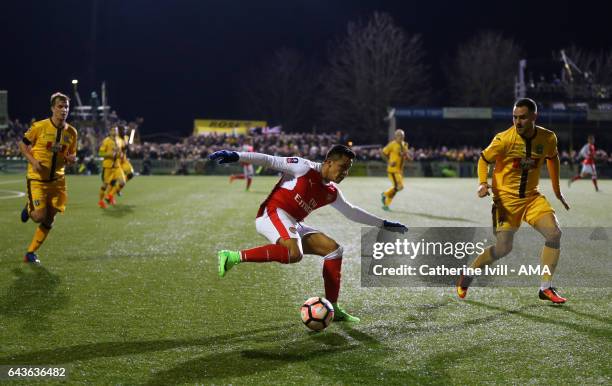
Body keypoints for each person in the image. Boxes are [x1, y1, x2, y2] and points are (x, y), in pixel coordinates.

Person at [209, 145, 408, 322]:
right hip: (272, 213)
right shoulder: (303, 167)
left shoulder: (331, 191)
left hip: (293, 222)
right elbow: (269, 159)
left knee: (334, 250)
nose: (345, 173)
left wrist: (384, 224)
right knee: (294, 254)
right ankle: (233, 257)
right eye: (343, 167)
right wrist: (235, 155)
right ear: (329, 163)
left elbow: (351, 212)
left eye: (348, 169)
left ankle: (334, 307)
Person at [457, 98, 570, 304]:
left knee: (554, 233)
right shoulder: (503, 140)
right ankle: (469, 273)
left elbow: (552, 158)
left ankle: (545, 288)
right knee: (503, 249)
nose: (518, 122)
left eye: (523, 117)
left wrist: (557, 190)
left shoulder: (548, 138)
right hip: (505, 201)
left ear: (534, 117)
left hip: (532, 198)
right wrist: (483, 183)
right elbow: (483, 159)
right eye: (515, 117)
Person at [19, 92, 78, 264]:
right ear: (52, 108)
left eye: (66, 106)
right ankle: (29, 207)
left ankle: (30, 253)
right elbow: (22, 145)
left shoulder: (72, 133)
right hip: (37, 179)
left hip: (58, 181)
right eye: (60, 106)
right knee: (38, 216)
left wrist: (71, 160)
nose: (63, 110)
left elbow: (71, 155)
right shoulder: (39, 127)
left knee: (50, 218)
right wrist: (33, 161)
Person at [380, 129, 410, 211]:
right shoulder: (392, 144)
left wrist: (408, 157)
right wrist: (389, 162)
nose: (401, 137)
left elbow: (406, 156)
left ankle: (385, 198)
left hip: (399, 171)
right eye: (399, 135)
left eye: (402, 135)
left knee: (397, 188)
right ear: (395, 136)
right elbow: (382, 152)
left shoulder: (405, 145)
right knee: (399, 187)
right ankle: (385, 197)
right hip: (392, 170)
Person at [98, 126, 125, 208]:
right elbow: (100, 153)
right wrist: (109, 154)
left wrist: (121, 155)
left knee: (122, 182)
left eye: (116, 130)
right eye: (113, 130)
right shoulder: (106, 141)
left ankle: (110, 195)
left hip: (117, 166)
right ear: (110, 132)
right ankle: (101, 201)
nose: (114, 132)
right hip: (108, 167)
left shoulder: (120, 141)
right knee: (105, 185)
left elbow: (121, 152)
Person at [115, 125, 135, 196]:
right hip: (117, 161)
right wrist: (125, 147)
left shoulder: (126, 138)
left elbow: (129, 145)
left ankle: (118, 189)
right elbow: (121, 147)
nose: (124, 131)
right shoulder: (117, 139)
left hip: (124, 160)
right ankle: (112, 192)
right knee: (114, 180)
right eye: (122, 130)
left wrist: (133, 132)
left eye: (124, 130)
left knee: (131, 174)